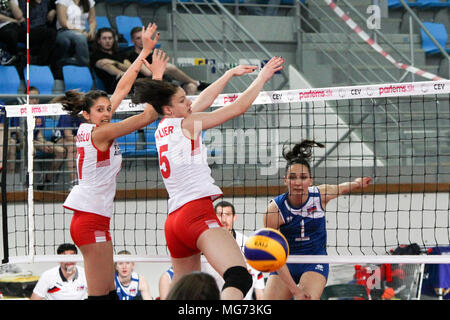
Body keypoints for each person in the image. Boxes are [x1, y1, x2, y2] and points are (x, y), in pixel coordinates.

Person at [132, 55, 285, 300]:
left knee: (186, 294)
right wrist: (262, 77)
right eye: (183, 100)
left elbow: (201, 101)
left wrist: (226, 75)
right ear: (170, 108)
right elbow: (237, 108)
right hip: (196, 213)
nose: (189, 102)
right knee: (239, 276)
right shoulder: (188, 124)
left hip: (174, 222)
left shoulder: (163, 126)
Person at [58, 23, 163, 300]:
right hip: (89, 220)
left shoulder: (92, 126)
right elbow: (147, 117)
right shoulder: (102, 132)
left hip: (97, 218)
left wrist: (144, 54)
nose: (106, 113)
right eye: (100, 110)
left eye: (108, 109)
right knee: (100, 296)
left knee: (109, 293)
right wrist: (158, 79)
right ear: (86, 115)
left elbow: (123, 86)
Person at [263, 140, 372, 300]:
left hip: (315, 260)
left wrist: (357, 184)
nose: (298, 182)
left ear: (311, 180)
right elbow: (274, 255)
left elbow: (341, 188)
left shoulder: (320, 195)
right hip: (285, 262)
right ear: (285, 180)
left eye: (303, 177)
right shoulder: (274, 210)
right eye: (293, 177)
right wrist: (295, 291)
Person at [202, 200, 265, 300]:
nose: (223, 219)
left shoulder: (247, 243)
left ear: (234, 217)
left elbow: (259, 288)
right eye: (219, 215)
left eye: (227, 215)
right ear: (214, 218)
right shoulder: (204, 244)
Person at [123, 27, 209, 95]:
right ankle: (197, 83)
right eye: (138, 38)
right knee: (169, 67)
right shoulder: (131, 56)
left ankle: (184, 114)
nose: (142, 40)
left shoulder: (154, 53)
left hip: (164, 82)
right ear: (132, 40)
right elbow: (148, 73)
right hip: (145, 85)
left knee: (191, 86)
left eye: (143, 38)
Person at [31, 86, 66, 188]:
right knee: (31, 151)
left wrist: (44, 144)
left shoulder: (39, 113)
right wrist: (39, 145)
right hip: (25, 142)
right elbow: (21, 136)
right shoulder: (19, 111)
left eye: (36, 98)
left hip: (36, 142)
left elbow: (39, 135)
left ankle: (46, 179)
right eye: (32, 98)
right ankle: (27, 183)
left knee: (61, 151)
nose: (34, 101)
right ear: (26, 98)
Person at [53, 0, 96, 67]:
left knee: (103, 36)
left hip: (83, 31)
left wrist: (91, 31)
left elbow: (92, 20)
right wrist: (80, 32)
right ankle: (85, 63)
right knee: (80, 37)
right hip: (65, 30)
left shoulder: (89, 2)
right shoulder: (62, 1)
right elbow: (63, 22)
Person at [90, 27, 130, 94]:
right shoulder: (96, 55)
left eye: (110, 38)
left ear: (114, 40)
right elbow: (107, 66)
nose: (107, 41)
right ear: (99, 40)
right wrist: (120, 73)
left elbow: (129, 67)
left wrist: (114, 62)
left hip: (127, 82)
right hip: (111, 88)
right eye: (104, 38)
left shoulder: (120, 54)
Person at [17, 0, 57, 65]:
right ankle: (40, 62)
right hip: (27, 30)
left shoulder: (46, 2)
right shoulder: (23, 1)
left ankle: (31, 58)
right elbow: (22, 20)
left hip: (42, 31)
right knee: (51, 33)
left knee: (52, 37)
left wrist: (54, 10)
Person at [56, 114, 83, 189]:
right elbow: (68, 136)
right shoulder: (66, 115)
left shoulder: (87, 112)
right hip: (61, 140)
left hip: (78, 141)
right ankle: (73, 182)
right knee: (72, 147)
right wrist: (87, 139)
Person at [0, 0, 25, 65]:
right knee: (12, 34)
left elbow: (19, 16)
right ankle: (13, 58)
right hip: (2, 27)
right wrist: (13, 20)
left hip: (14, 25)